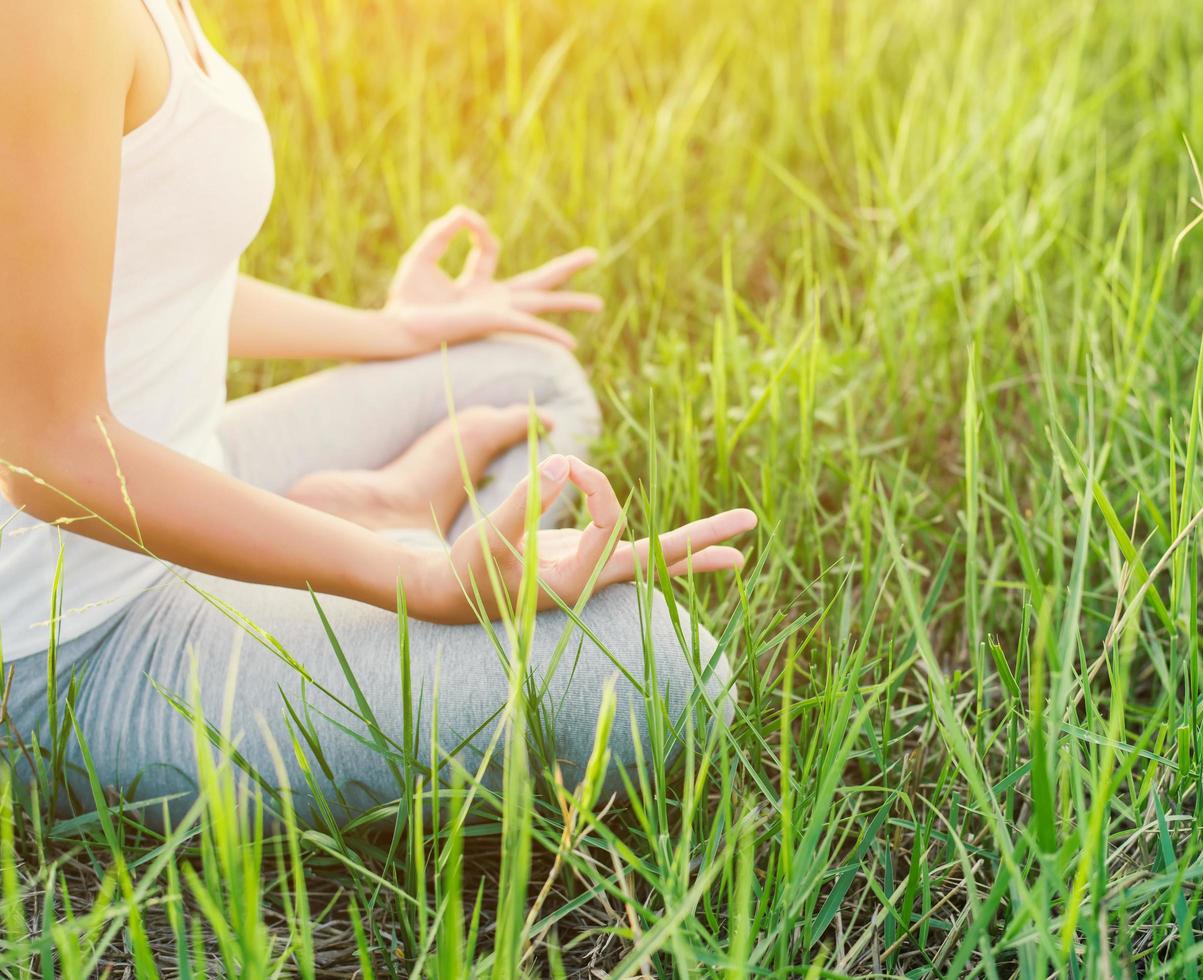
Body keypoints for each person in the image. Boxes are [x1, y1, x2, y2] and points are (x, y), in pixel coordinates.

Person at [0, 0, 754, 824]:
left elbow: (119, 269)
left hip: (184, 466)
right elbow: (47, 457)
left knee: (521, 377)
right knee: (659, 672)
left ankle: (368, 521)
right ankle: (387, 532)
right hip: (69, 638)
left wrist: (390, 331)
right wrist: (413, 579)